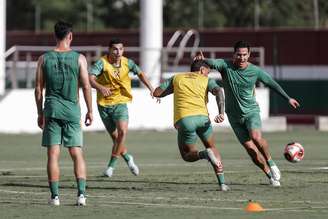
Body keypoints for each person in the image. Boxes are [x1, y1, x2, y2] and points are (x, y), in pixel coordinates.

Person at [195, 40, 300, 187]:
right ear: (234, 54)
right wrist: (203, 60)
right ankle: (270, 175)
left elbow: (271, 83)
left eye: (245, 55)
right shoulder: (225, 66)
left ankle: (271, 163)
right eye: (239, 54)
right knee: (251, 149)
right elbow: (211, 63)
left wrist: (288, 98)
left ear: (249, 54)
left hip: (251, 112)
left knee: (256, 138)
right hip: (234, 116)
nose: (242, 58)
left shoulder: (255, 71)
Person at [34, 20, 93, 206]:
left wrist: (39, 113)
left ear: (55, 36)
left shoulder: (43, 59)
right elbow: (86, 86)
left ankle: (55, 197)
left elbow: (38, 89)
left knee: (53, 154)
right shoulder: (79, 58)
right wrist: (90, 110)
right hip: (72, 110)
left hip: (52, 109)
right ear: (70, 36)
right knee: (77, 153)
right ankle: (81, 195)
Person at [153, 60, 230, 191]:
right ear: (201, 70)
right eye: (207, 72)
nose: (207, 74)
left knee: (187, 155)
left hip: (185, 120)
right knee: (212, 147)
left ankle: (204, 154)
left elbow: (157, 92)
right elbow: (219, 91)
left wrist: (173, 89)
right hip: (203, 119)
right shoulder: (206, 80)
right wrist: (221, 112)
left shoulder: (177, 78)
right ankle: (222, 183)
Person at [89, 38, 157, 177]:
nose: (118, 52)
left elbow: (140, 73)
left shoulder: (128, 62)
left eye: (120, 49)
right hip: (104, 105)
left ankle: (111, 167)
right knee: (116, 139)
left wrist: (151, 88)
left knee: (122, 133)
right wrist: (101, 87)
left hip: (120, 103)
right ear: (109, 50)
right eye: (115, 49)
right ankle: (128, 159)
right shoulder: (102, 63)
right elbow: (90, 78)